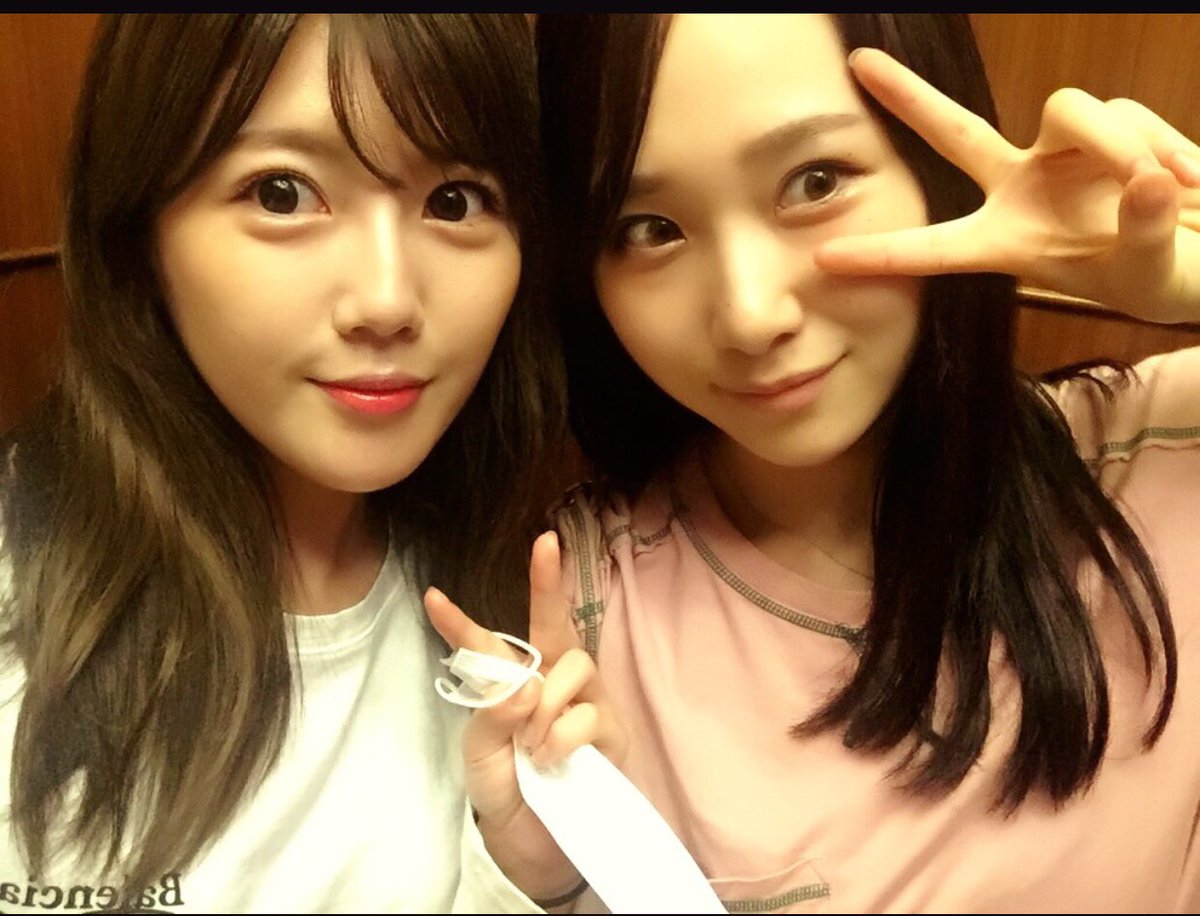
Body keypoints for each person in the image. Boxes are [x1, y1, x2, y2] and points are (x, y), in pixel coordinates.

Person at [534, 12, 1200, 912]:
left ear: (934, 172)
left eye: (815, 182)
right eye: (650, 228)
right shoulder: (585, 605)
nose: (750, 314)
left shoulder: (1161, 455)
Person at [0, 13, 615, 913]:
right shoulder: (23, 613)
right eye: (282, 193)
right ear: (139, 233)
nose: (387, 300)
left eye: (455, 202)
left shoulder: (517, 598)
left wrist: (530, 877)